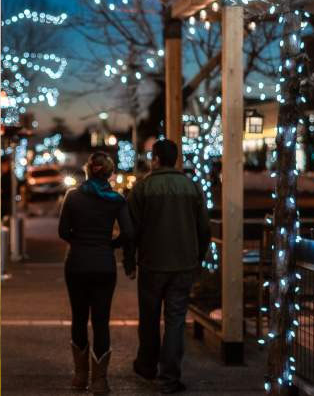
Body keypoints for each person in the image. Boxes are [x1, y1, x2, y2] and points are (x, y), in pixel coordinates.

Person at [126, 139, 209, 394]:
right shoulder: (191, 187)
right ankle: (169, 377)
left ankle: (147, 365)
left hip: (152, 263)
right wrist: (198, 257)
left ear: (156, 158)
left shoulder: (143, 188)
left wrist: (129, 260)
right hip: (183, 264)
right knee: (175, 320)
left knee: (149, 317)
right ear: (175, 159)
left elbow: (131, 230)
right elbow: (204, 228)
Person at [58, 152, 135, 394]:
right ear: (110, 173)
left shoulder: (73, 197)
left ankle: (80, 377)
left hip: (77, 263)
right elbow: (129, 233)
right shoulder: (116, 199)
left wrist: (80, 241)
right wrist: (110, 245)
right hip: (104, 264)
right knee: (101, 321)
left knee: (79, 317)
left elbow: (63, 231)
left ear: (88, 171)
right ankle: (99, 381)